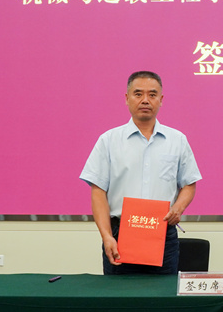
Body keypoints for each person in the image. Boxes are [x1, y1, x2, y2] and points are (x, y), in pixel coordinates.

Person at [79, 71, 202, 275]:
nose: (145, 100)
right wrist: (106, 236)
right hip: (120, 235)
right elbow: (98, 192)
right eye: (138, 94)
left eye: (152, 95)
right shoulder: (108, 140)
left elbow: (189, 183)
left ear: (161, 100)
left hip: (162, 234)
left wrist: (178, 208)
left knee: (163, 293)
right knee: (119, 294)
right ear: (127, 98)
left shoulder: (177, 140)